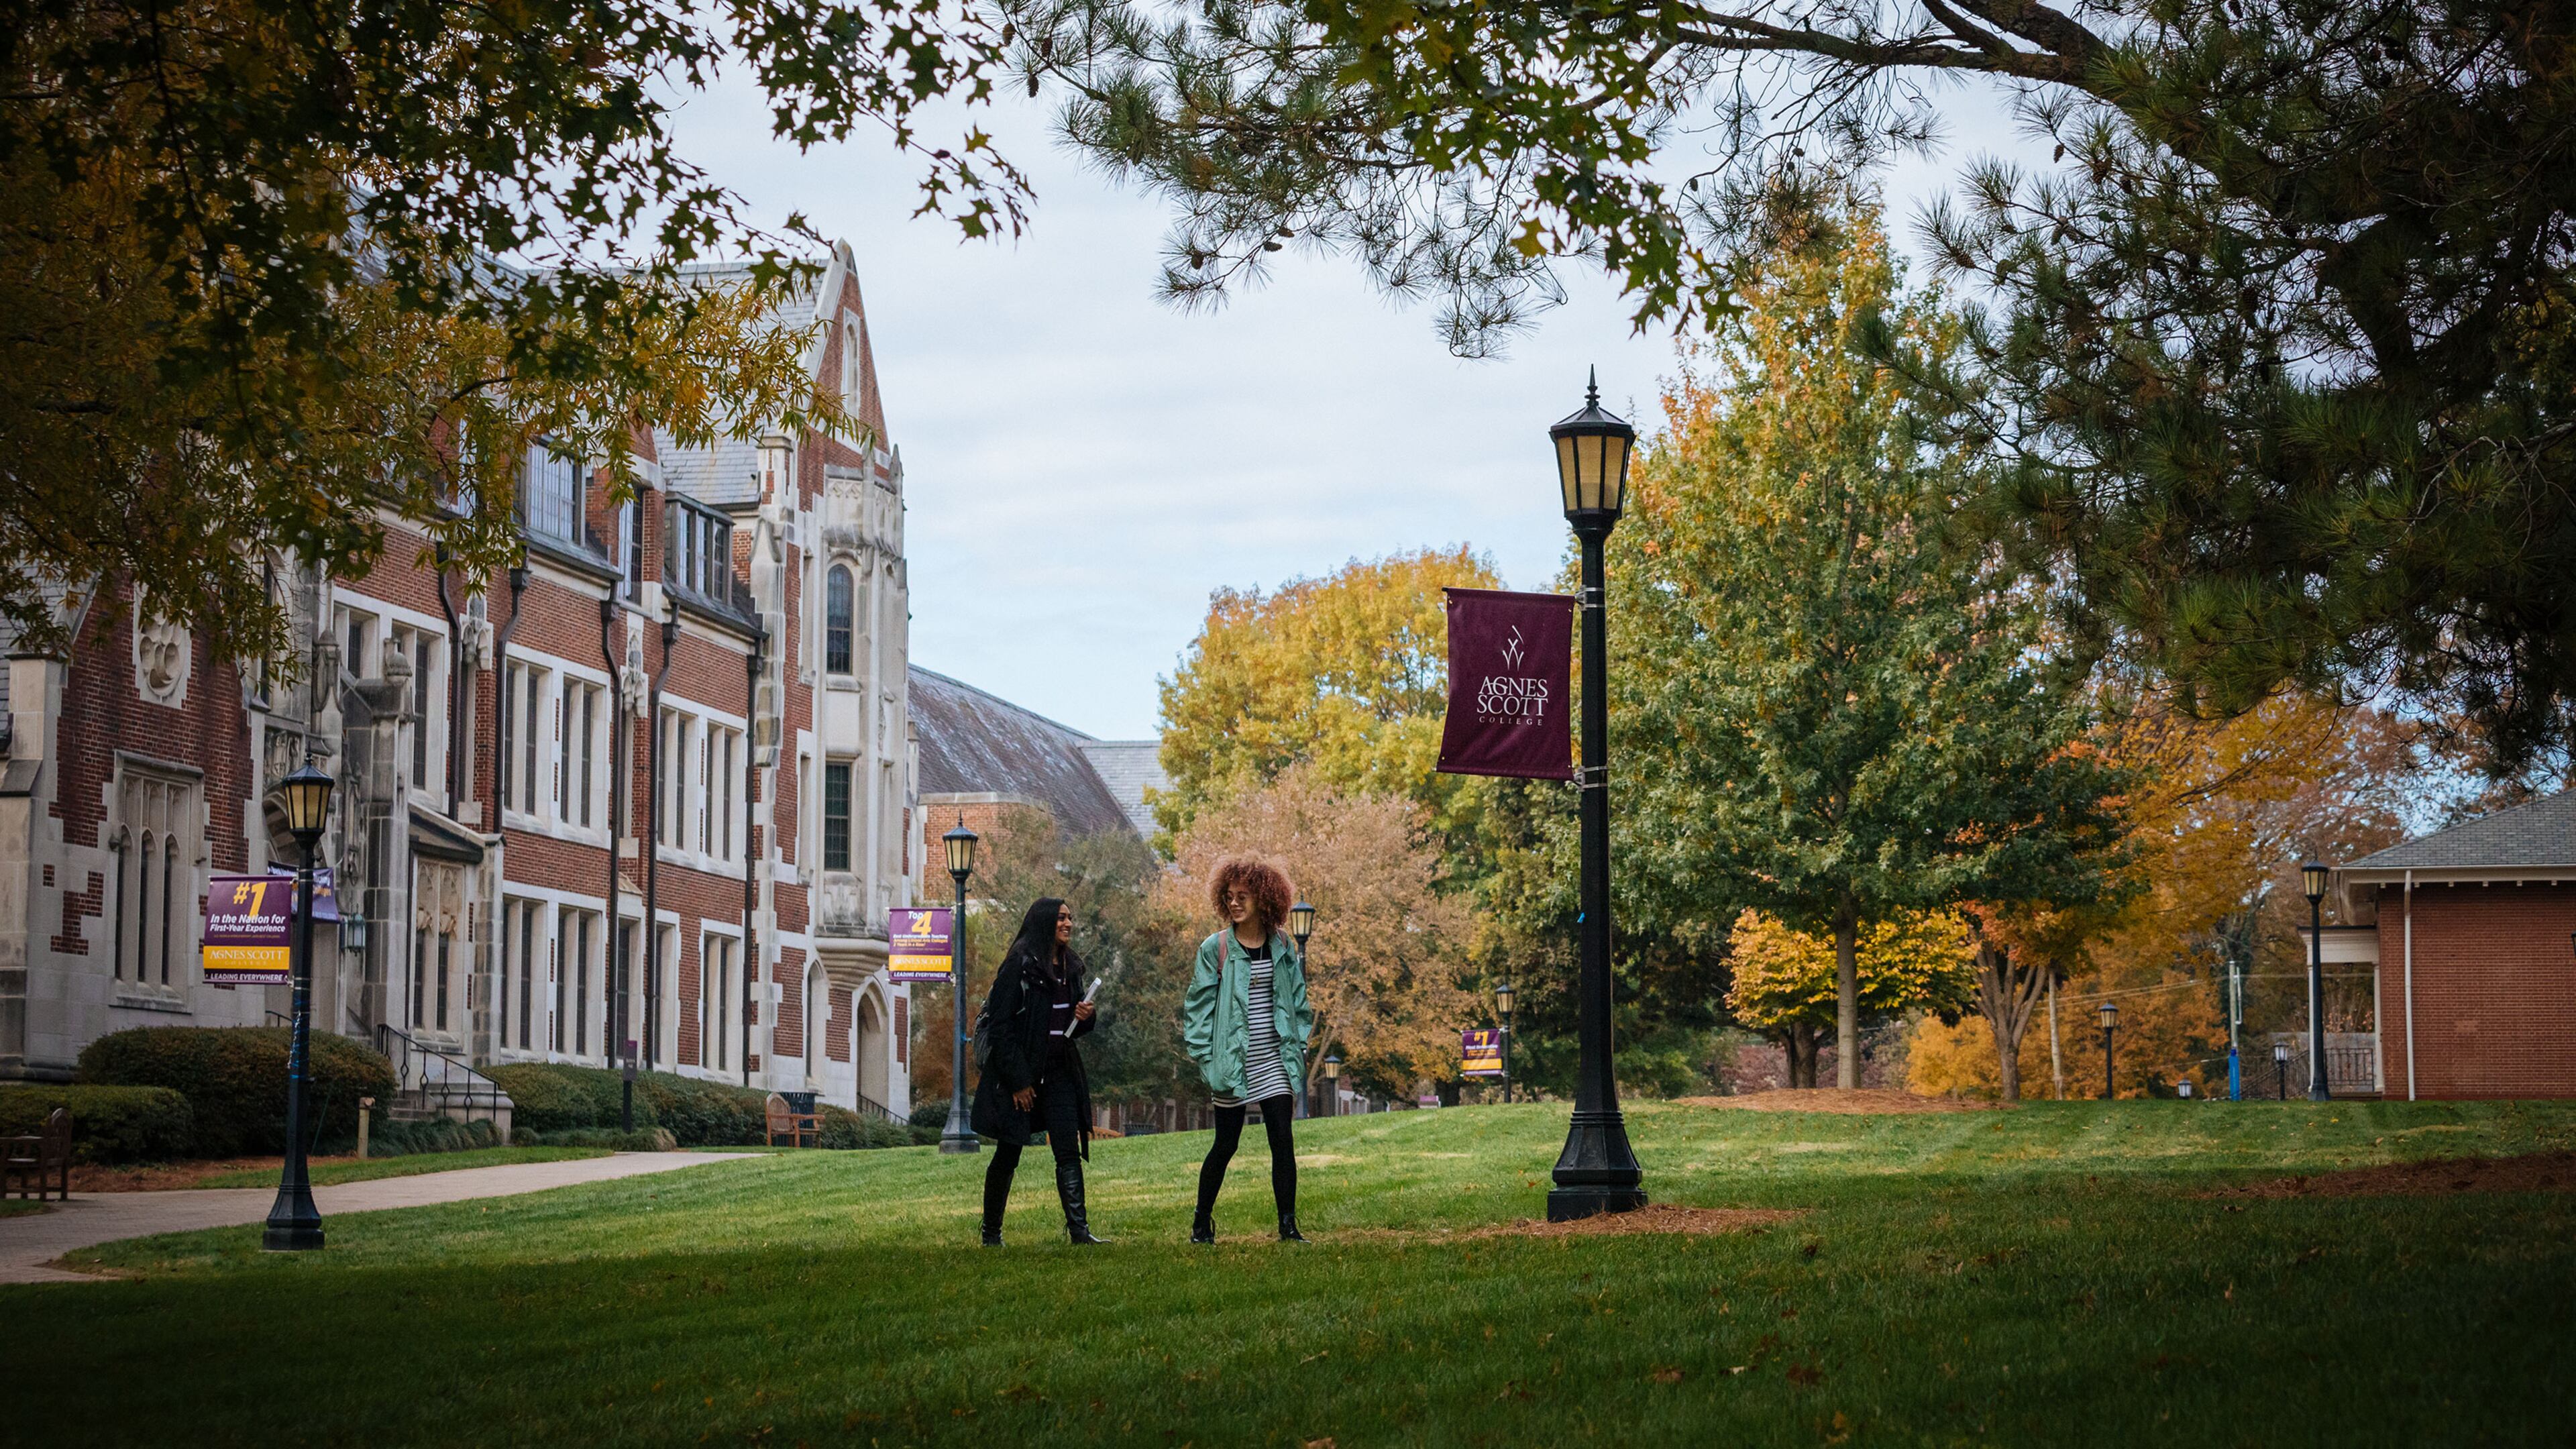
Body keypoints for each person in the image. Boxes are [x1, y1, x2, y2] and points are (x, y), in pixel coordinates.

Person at [1182, 857, 1315, 1244]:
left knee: (1282, 1140)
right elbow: (1197, 1011)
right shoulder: (1217, 948)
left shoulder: (1282, 945)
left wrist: (1298, 1045)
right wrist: (1208, 1062)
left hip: (1273, 1059)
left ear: (1264, 898)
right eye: (1230, 896)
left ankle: (1288, 1226)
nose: (1235, 903)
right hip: (1232, 1062)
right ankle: (1201, 1222)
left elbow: (1298, 1000)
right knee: (1226, 1144)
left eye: (1244, 896)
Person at [970, 897, 1103, 1246]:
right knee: (1009, 1152)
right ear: (1045, 922)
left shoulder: (1070, 967)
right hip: (1021, 1075)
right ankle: (991, 1234)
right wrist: (1019, 1082)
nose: (1068, 924)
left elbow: (1070, 1024)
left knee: (1067, 1151)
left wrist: (1086, 1018)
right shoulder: (1019, 965)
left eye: (1071, 918)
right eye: (1061, 918)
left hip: (1060, 1072)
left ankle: (1079, 1232)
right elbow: (1000, 1028)